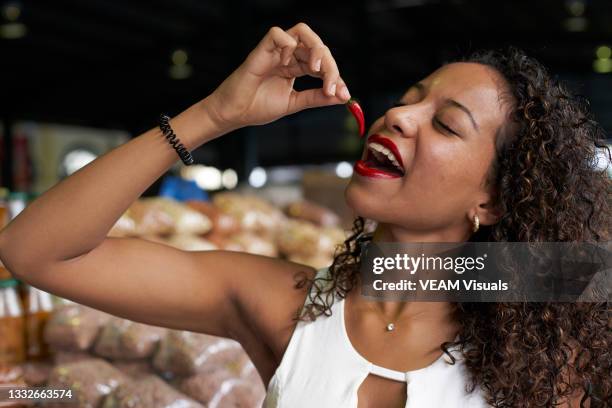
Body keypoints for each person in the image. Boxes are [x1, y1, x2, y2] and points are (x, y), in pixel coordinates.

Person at [0, 22, 609, 407]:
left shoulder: (539, 354)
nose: (399, 116)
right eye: (409, 99)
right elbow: (34, 252)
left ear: (493, 201)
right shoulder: (288, 307)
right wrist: (216, 115)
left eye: (446, 124)